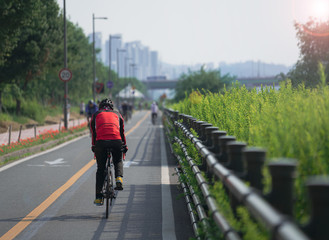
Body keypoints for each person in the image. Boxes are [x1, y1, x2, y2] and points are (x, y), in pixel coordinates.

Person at [90, 98, 128, 206]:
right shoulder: (118, 114)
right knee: (117, 160)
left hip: (100, 143)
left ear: (100, 107)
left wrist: (94, 146)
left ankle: (98, 197)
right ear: (112, 107)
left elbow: (93, 133)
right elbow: (122, 132)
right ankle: (119, 178)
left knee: (100, 169)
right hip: (116, 141)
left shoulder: (96, 114)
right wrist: (124, 146)